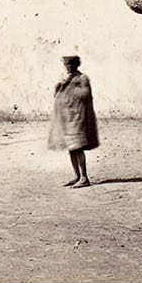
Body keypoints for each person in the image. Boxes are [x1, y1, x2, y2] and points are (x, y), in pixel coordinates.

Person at [48, 54, 99, 188]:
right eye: (66, 65)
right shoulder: (65, 78)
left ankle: (84, 177)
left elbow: (85, 94)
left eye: (70, 65)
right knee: (71, 148)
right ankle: (77, 176)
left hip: (78, 118)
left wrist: (70, 88)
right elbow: (56, 95)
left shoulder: (82, 78)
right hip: (67, 119)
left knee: (77, 148)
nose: (67, 68)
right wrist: (58, 86)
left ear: (75, 65)